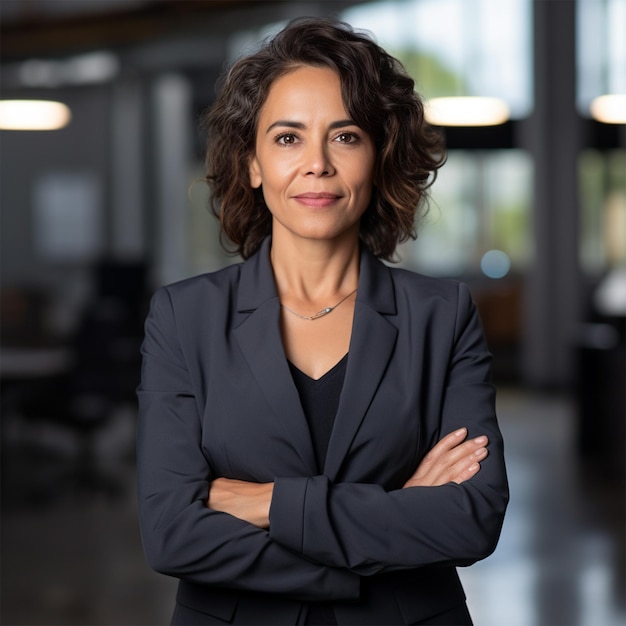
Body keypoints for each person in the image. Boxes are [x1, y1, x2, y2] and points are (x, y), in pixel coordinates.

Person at [137, 17, 509, 626]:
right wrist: (392, 516)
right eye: (287, 138)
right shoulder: (184, 317)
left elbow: (470, 520)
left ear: (378, 157)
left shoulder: (441, 315)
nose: (317, 164)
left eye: (345, 136)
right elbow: (172, 534)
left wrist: (271, 502)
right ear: (252, 162)